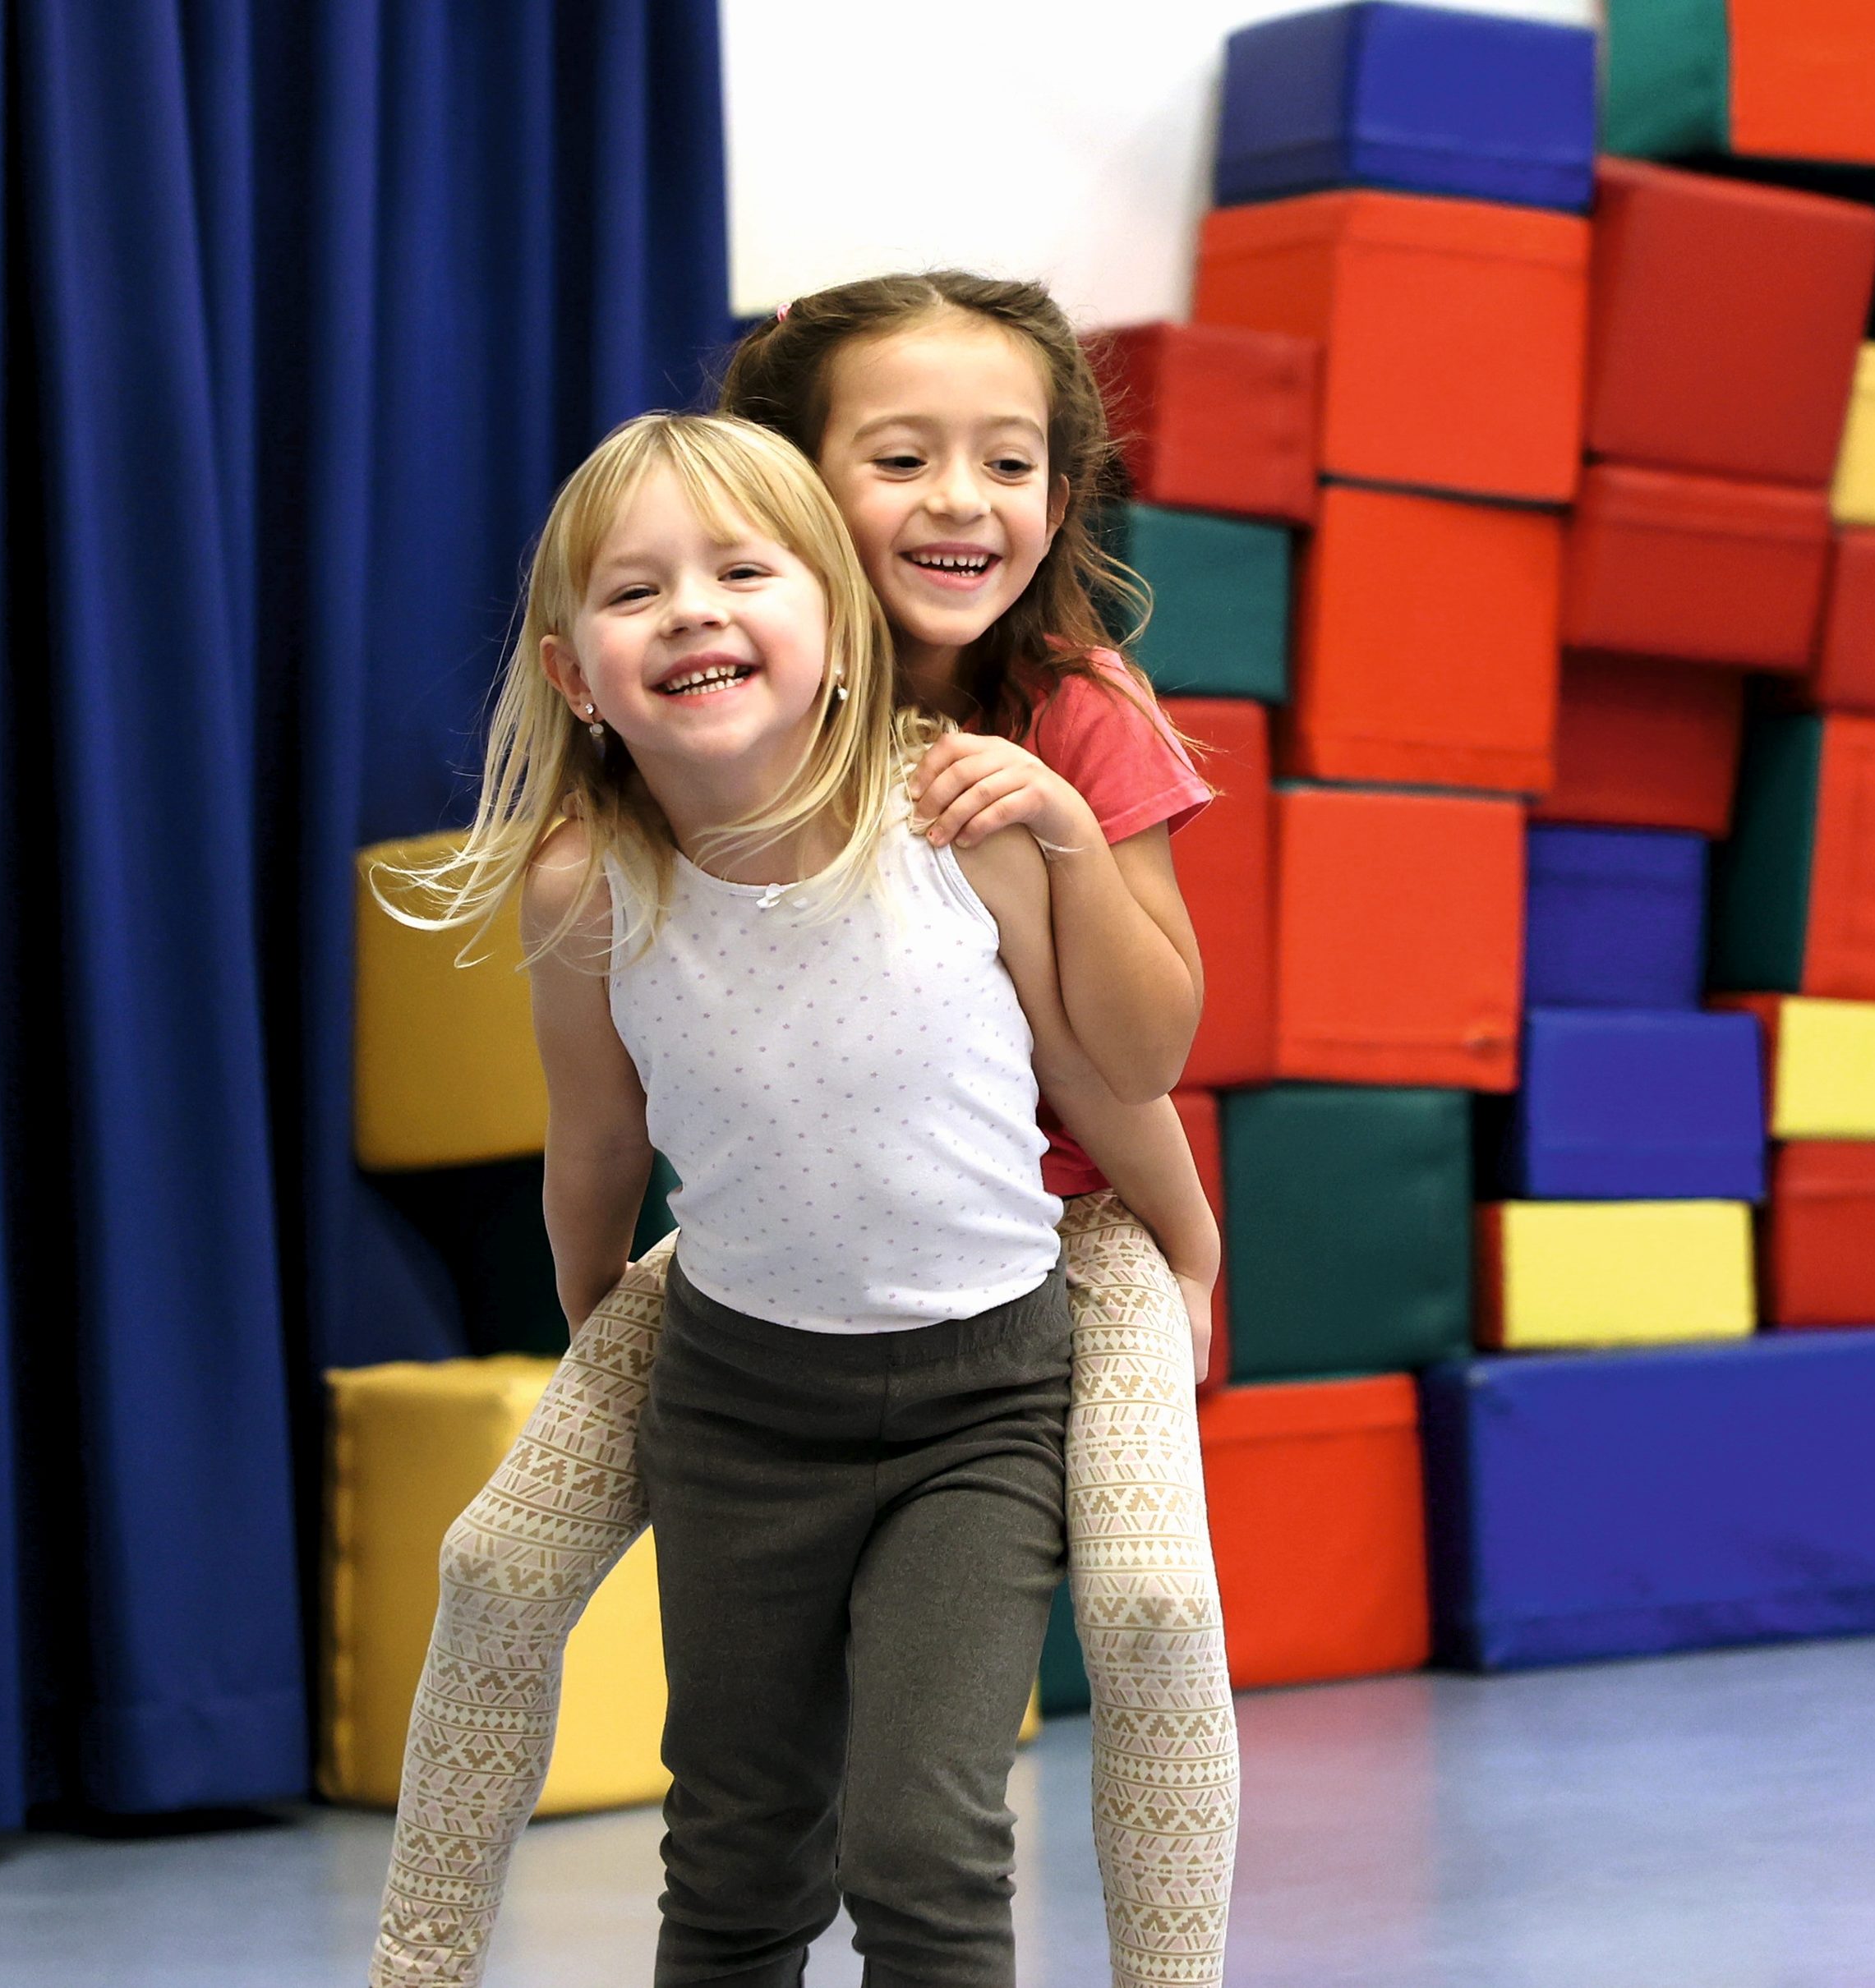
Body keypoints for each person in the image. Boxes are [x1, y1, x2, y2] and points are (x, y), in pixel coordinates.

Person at [368, 408, 1226, 1988]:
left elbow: (1101, 1076)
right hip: (739, 1411)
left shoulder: (955, 824)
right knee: (738, 1847)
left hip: (984, 1406)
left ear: (840, 627)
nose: (690, 611)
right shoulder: (586, 885)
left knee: (922, 1847)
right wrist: (598, 1317)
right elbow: (597, 1137)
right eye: (635, 593)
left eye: (742, 573)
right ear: (575, 677)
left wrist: (1187, 1242)